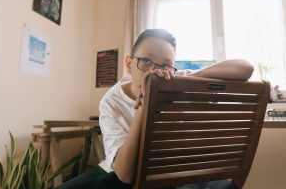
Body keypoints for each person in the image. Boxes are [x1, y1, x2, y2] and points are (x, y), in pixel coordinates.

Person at [56, 29, 253, 189]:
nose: (156, 71)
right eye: (146, 61)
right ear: (129, 63)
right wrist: (146, 101)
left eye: (166, 65)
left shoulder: (174, 77)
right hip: (124, 172)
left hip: (170, 169)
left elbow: (245, 68)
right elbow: (125, 174)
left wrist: (185, 81)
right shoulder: (111, 102)